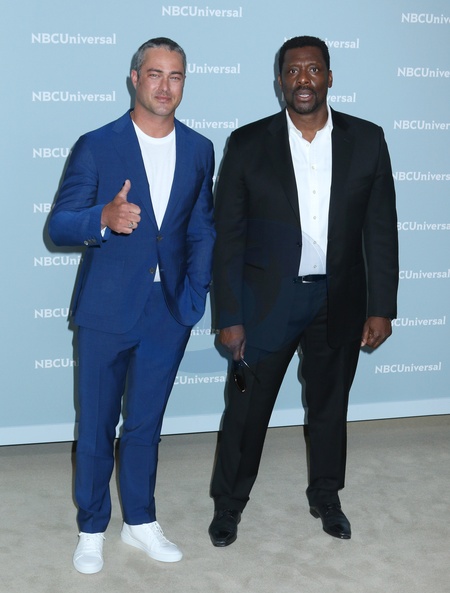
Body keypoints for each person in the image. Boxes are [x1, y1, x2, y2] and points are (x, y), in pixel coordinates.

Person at [208, 35, 398, 547]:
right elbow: (228, 238)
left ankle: (327, 496)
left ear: (329, 78)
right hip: (266, 303)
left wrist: (381, 306)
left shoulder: (368, 139)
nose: (303, 80)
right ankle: (229, 505)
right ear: (280, 82)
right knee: (247, 410)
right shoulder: (248, 143)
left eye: (313, 69)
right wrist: (229, 314)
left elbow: (381, 230)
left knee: (330, 407)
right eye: (292, 71)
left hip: (339, 300)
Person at [49, 37, 215, 574]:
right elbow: (59, 223)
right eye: (155, 74)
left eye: (176, 76)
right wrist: (102, 217)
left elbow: (202, 229)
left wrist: (195, 292)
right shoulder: (98, 145)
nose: (165, 86)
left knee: (145, 424)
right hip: (105, 310)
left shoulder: (199, 149)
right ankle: (91, 527)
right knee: (96, 424)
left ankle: (140, 520)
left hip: (167, 311)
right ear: (134, 78)